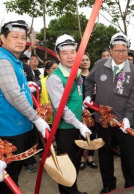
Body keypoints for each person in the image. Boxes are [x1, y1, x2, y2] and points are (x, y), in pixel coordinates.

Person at [0, 14, 50, 193]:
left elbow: (16, 90)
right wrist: (37, 119)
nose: (20, 41)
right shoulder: (2, 61)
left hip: (17, 128)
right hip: (6, 133)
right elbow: (14, 96)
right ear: (2, 38)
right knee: (7, 185)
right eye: (15, 37)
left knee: (14, 178)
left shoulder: (14, 60)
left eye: (23, 38)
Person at [84, 33, 134, 194]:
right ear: (111, 50)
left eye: (124, 50)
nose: (121, 54)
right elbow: (88, 81)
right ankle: (108, 184)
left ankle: (133, 184)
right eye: (117, 50)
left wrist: (128, 118)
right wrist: (88, 96)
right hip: (103, 119)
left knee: (129, 155)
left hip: (123, 122)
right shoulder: (101, 65)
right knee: (105, 153)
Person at [46, 34, 91, 194]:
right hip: (65, 128)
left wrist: (83, 112)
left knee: (76, 160)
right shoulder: (55, 78)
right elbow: (61, 108)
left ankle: (74, 191)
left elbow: (75, 99)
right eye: (65, 53)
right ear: (57, 55)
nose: (70, 56)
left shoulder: (76, 73)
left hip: (77, 125)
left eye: (73, 51)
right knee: (67, 166)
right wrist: (79, 124)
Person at [79, 53, 98, 170]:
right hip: (81, 109)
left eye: (87, 60)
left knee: (94, 133)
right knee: (82, 134)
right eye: (82, 60)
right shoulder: (77, 77)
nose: (85, 62)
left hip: (95, 108)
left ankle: (91, 157)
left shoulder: (95, 75)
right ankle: (81, 158)